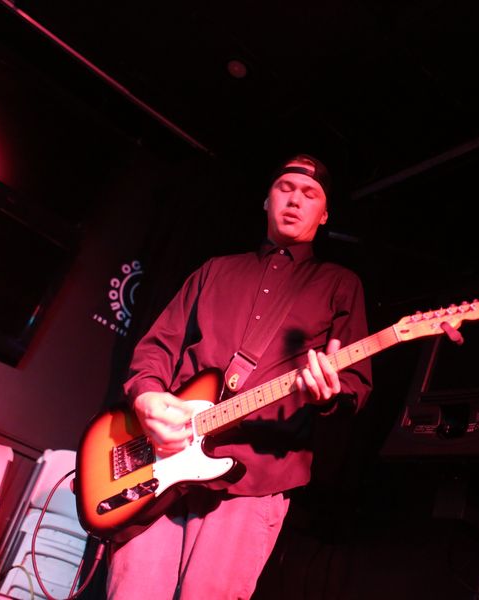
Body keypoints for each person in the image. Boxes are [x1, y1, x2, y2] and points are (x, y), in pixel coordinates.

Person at [107, 155, 373, 599]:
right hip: (162, 462)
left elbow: (355, 387)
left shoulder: (340, 285)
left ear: (325, 215)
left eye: (309, 194)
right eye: (285, 188)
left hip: (254, 477)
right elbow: (157, 348)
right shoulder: (215, 270)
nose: (295, 200)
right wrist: (146, 397)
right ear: (266, 201)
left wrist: (329, 395)